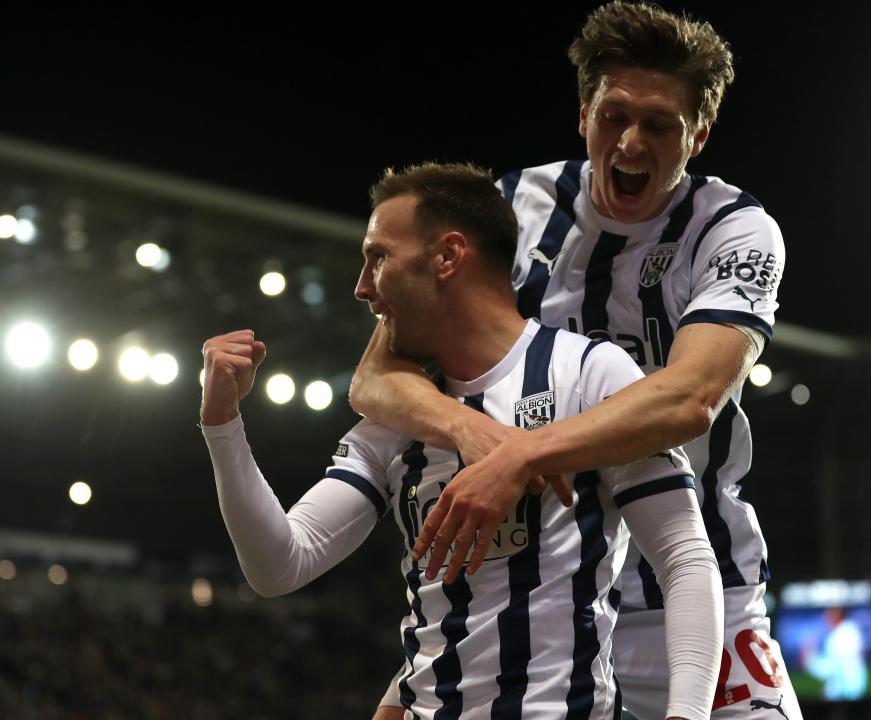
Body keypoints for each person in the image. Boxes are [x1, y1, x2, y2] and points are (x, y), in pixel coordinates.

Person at [350, 3, 803, 719]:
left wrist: (520, 455)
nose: (630, 142)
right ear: (582, 114)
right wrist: (475, 437)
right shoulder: (509, 212)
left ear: (700, 135)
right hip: (545, 613)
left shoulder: (734, 229)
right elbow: (377, 377)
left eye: (659, 125)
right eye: (613, 115)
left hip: (701, 590)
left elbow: (690, 399)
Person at [200, 163, 722, 719]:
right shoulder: (404, 415)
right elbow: (279, 564)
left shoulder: (588, 372)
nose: (362, 287)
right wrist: (221, 423)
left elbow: (685, 558)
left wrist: (685, 716)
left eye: (379, 257)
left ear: (448, 256)